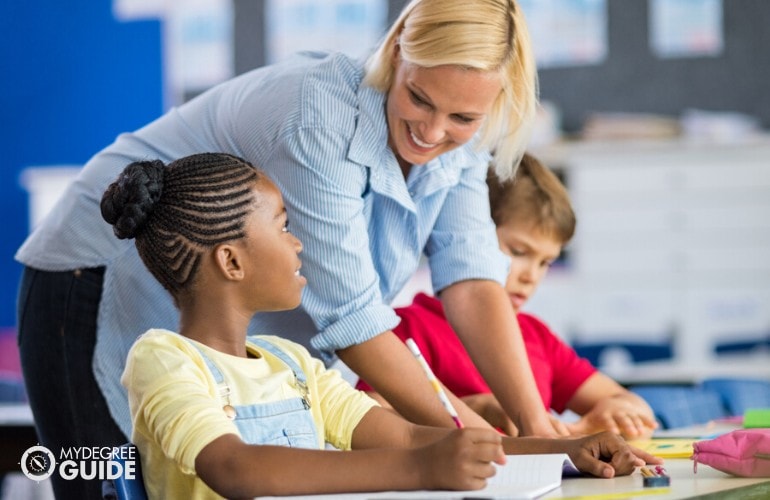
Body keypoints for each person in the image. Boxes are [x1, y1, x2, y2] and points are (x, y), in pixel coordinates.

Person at [17, 1, 561, 497]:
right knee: (105, 487)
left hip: (215, 328)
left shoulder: (292, 365)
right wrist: (477, 449)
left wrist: (536, 433)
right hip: (92, 277)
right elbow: (353, 320)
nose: (433, 130)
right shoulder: (315, 114)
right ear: (397, 53)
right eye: (419, 98)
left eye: (462, 119)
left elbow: (471, 280)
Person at [104, 153, 658, 498]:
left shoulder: (292, 364)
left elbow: (416, 436)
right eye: (283, 226)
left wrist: (561, 452)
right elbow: (236, 468)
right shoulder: (164, 359)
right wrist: (421, 469)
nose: (298, 242)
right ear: (232, 262)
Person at [357, 153, 659, 439]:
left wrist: (607, 415)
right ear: (469, 235)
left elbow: (637, 408)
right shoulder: (408, 329)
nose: (532, 276)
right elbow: (363, 413)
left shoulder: (536, 336)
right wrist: (476, 407)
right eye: (518, 252)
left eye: (545, 262)